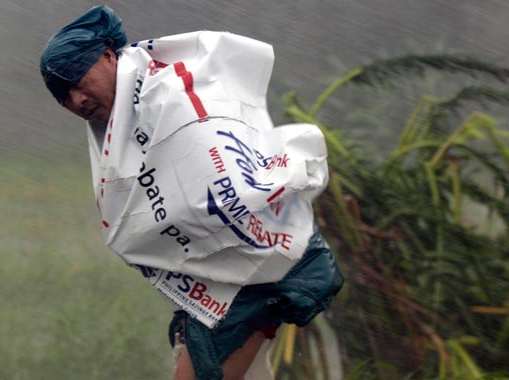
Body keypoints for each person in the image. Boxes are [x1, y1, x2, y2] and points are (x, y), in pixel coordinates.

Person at [40, 5, 344, 380]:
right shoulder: (122, 127)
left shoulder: (168, 96)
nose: (76, 100)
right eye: (63, 97)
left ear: (106, 56)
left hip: (252, 279)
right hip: (224, 287)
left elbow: (219, 183)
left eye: (77, 80)